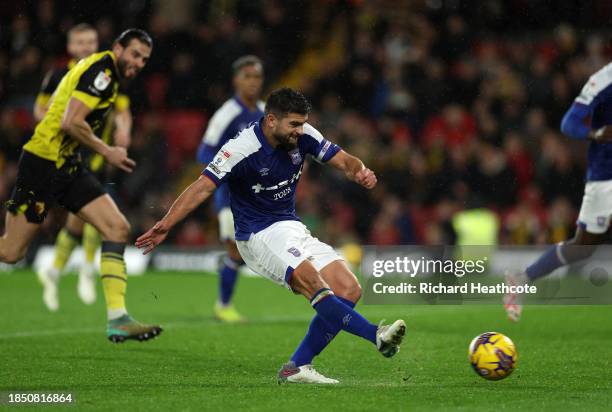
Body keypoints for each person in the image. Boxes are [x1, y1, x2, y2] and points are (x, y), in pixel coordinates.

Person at [137, 88, 406, 383]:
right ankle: (376, 336)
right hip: (257, 235)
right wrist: (166, 223)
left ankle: (297, 367)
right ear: (271, 120)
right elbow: (202, 186)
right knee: (314, 283)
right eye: (293, 124)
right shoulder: (240, 148)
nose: (299, 131)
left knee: (349, 288)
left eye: (303, 123)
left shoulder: (303, 135)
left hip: (290, 226)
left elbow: (343, 159)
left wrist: (360, 170)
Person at [0, 28, 161, 343]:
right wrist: (107, 151)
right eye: (134, 54)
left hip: (68, 165)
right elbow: (70, 122)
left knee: (116, 227)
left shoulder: (108, 75)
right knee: (11, 251)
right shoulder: (100, 71)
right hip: (44, 163)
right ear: (117, 48)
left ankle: (118, 319)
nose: (139, 62)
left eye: (144, 59)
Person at [34, 23, 133, 312]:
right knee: (91, 215)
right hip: (69, 152)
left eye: (90, 42)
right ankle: (84, 270)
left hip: (98, 154)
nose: (86, 47)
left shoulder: (106, 73)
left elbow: (123, 110)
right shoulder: (57, 76)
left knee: (84, 217)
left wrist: (124, 129)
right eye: (80, 42)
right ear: (70, 47)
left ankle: (57, 270)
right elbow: (40, 110)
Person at [504, 62, 612, 321]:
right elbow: (568, 123)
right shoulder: (603, 81)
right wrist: (596, 132)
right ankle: (521, 279)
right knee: (584, 246)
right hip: (605, 175)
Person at [195, 55, 265, 323]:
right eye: (247, 76)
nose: (252, 82)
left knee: (247, 250)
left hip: (259, 193)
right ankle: (223, 305)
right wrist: (230, 170)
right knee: (235, 250)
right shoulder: (226, 114)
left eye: (257, 77)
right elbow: (204, 151)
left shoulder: (264, 112)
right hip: (231, 196)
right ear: (236, 80)